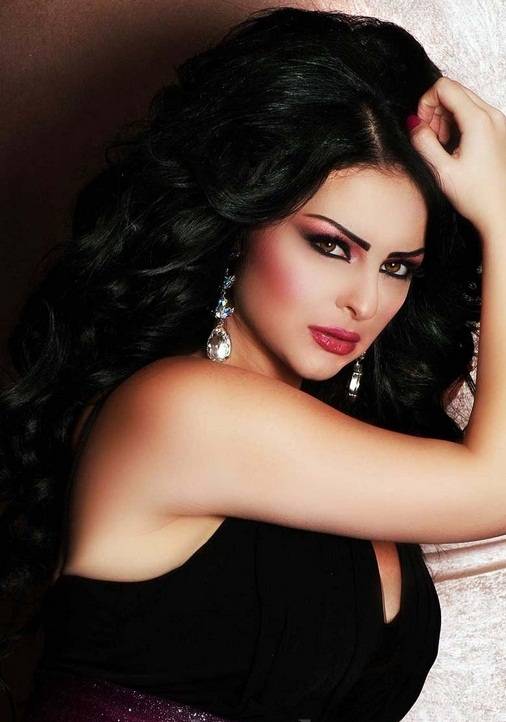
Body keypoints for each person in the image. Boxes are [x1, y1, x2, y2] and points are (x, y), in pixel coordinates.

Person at [0, 6, 505, 722]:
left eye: (398, 266)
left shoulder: (344, 449)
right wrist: (504, 219)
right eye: (331, 246)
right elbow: (495, 486)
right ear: (242, 225)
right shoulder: (182, 410)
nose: (365, 301)